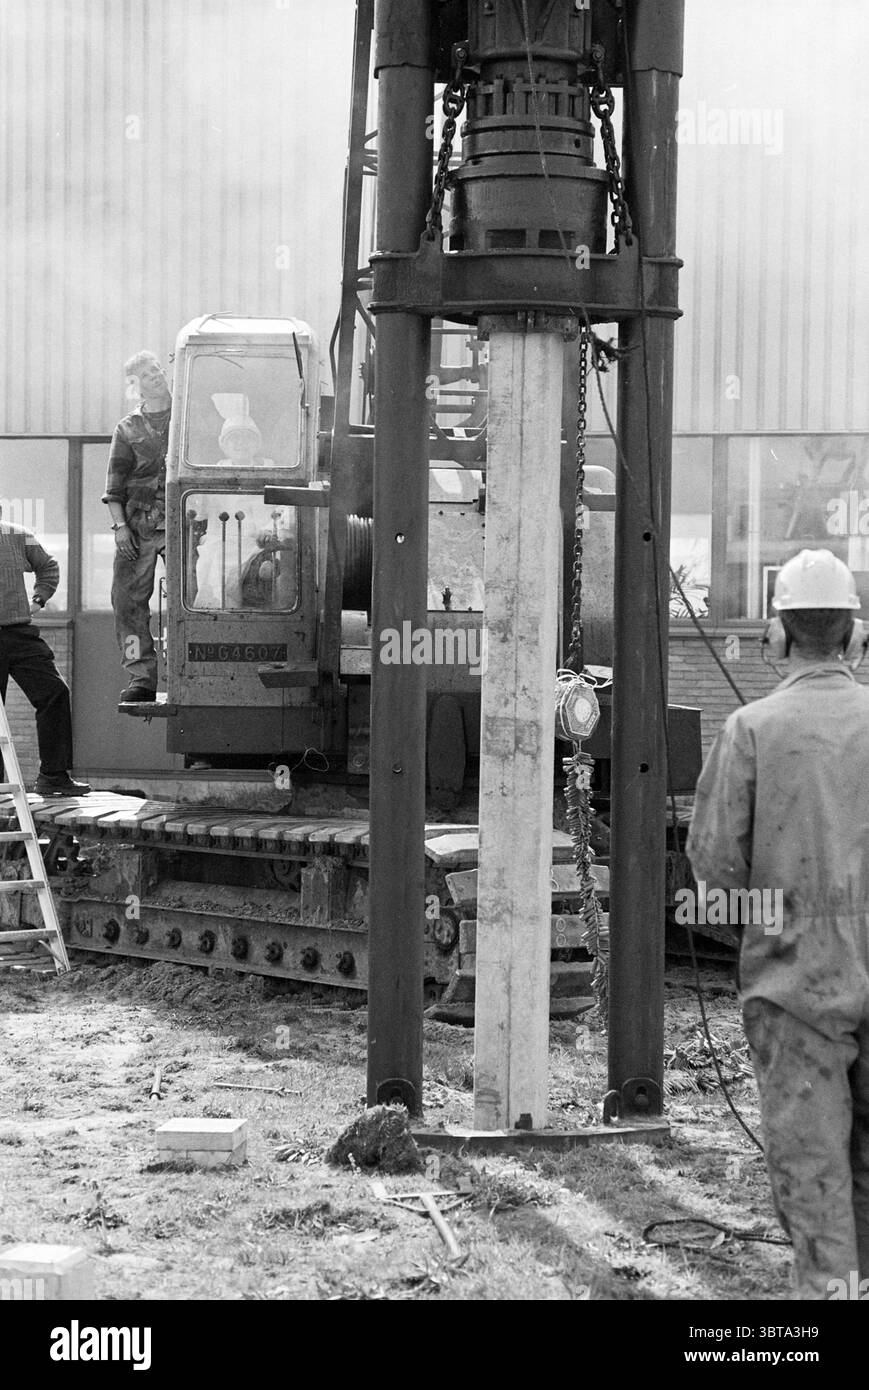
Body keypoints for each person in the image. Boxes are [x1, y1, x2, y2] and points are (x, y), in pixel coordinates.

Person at [686, 547, 869, 1299]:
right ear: (856, 638)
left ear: (776, 637)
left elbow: (714, 878)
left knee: (812, 1164)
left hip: (797, 981)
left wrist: (774, 924)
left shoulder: (749, 730)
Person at [0, 507, 90, 796]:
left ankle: (53, 775)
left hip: (19, 633)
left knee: (55, 693)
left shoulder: (17, 535)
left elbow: (48, 566)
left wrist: (38, 599)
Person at [102, 351, 171, 701]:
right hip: (138, 527)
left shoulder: (191, 414)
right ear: (136, 386)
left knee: (200, 596)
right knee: (127, 604)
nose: (155, 376)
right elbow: (114, 489)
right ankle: (140, 678)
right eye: (145, 374)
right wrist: (121, 529)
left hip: (186, 525)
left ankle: (189, 667)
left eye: (156, 368)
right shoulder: (127, 428)